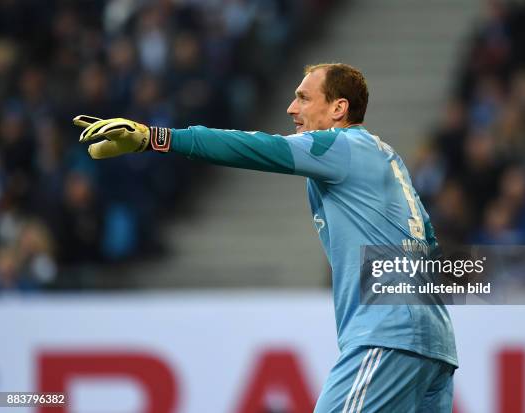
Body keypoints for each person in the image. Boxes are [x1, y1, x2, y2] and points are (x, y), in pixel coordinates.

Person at [74, 63, 457, 412]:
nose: (292, 108)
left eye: (304, 98)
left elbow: (257, 148)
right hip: (435, 344)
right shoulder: (387, 157)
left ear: (339, 109)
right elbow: (431, 242)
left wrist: (155, 137)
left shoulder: (339, 146)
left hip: (388, 337)